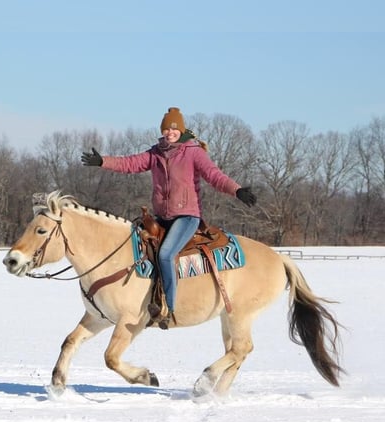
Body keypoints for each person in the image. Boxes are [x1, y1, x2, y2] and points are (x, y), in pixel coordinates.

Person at [81, 106, 256, 327]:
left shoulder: (193, 152)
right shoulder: (156, 153)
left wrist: (237, 190)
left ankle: (168, 307)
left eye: (173, 129)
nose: (169, 133)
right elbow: (130, 163)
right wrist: (103, 161)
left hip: (187, 217)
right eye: (166, 129)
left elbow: (214, 175)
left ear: (180, 130)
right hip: (162, 217)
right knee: (139, 247)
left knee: (165, 255)